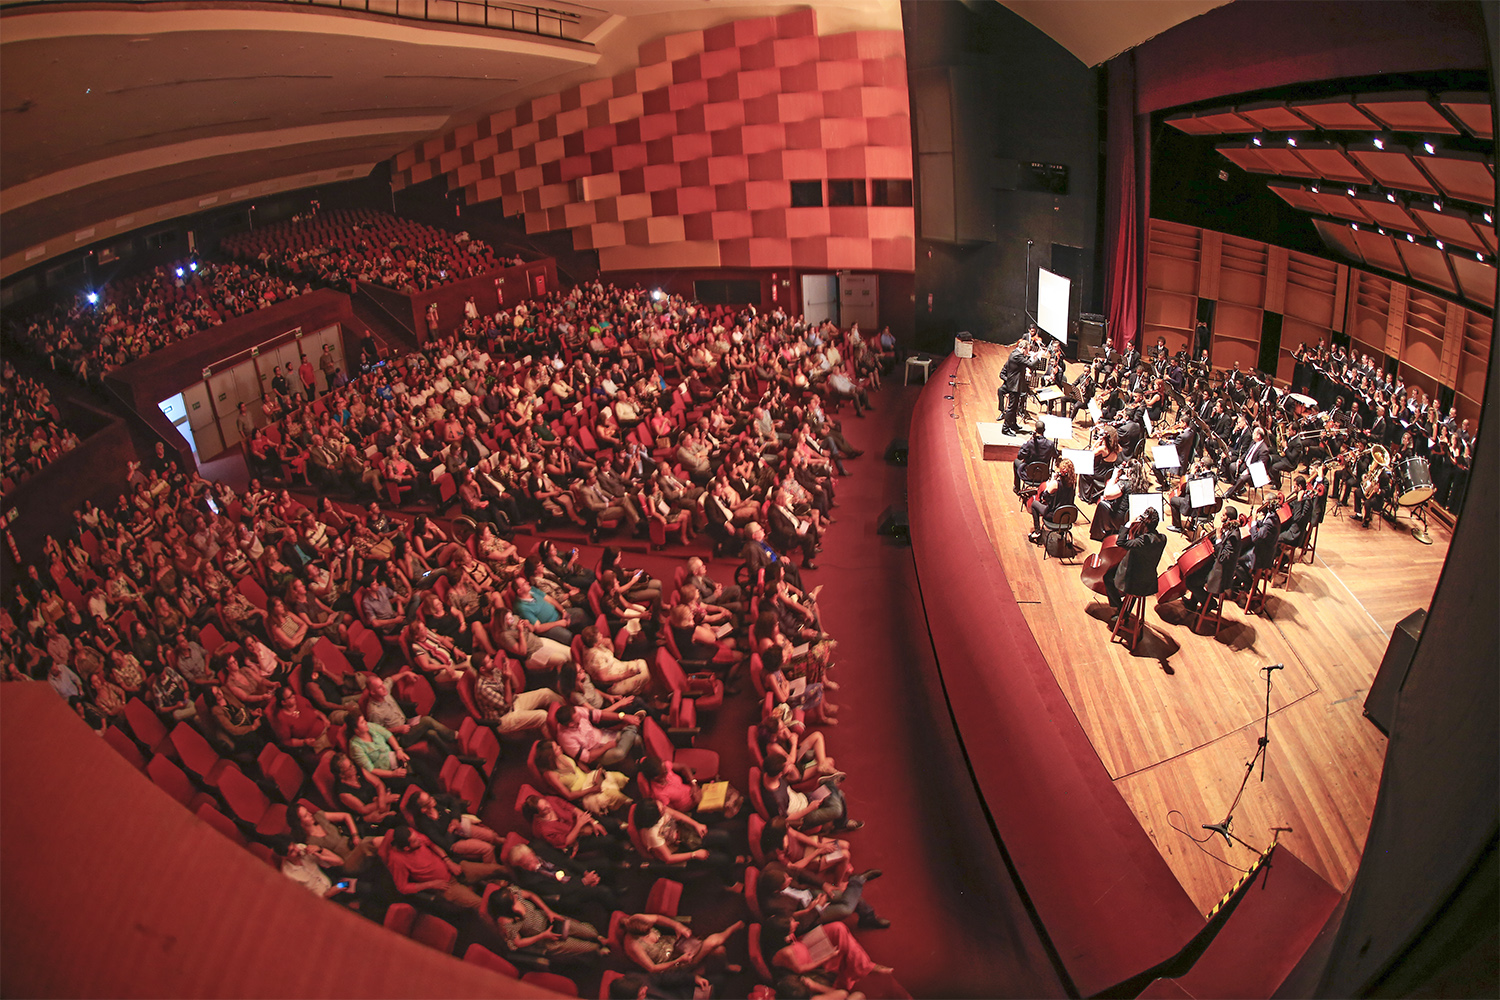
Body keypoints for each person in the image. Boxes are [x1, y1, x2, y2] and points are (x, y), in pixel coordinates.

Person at [383, 825, 504, 912]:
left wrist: (447, 861)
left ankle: (508, 891)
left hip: (453, 867)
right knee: (481, 905)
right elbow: (402, 887)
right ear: (406, 848)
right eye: (415, 841)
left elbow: (432, 845)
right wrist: (431, 884)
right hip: (446, 885)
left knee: (495, 869)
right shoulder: (396, 860)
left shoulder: (411, 834)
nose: (419, 839)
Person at [763, 913, 890, 991]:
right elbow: (801, 969)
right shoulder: (786, 953)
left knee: (838, 927)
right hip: (810, 959)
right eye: (792, 925)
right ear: (784, 934)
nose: (796, 923)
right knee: (846, 945)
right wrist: (828, 957)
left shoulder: (779, 931)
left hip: (803, 944)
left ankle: (863, 966)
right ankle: (864, 966)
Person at [621, 912, 745, 976]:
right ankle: (731, 930)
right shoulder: (633, 946)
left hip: (677, 945)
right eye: (647, 933)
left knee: (718, 950)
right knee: (714, 946)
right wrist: (679, 960)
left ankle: (720, 966)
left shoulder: (637, 919)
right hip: (671, 964)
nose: (650, 932)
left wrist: (677, 925)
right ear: (638, 935)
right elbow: (653, 969)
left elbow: (658, 918)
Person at [1104, 508, 1167, 623]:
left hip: (1133, 582)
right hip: (1149, 580)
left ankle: (1122, 609)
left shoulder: (1142, 541)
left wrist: (1128, 524)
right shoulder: (1163, 538)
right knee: (1133, 587)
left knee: (1107, 577)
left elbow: (1121, 542)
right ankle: (1125, 610)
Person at [1183, 506, 1243, 616]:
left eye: (1223, 515)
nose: (1221, 517)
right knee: (1194, 573)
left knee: (1191, 581)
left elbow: (1222, 558)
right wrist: (1208, 536)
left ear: (1229, 519)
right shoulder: (1229, 529)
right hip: (1216, 566)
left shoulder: (1234, 537)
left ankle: (1209, 603)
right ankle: (1192, 603)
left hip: (1221, 574)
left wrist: (1219, 537)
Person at [998, 330, 1043, 434]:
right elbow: (1030, 365)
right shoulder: (1017, 356)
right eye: (1027, 350)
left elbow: (1024, 359)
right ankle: (1005, 428)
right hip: (1014, 385)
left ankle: (1013, 424)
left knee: (1014, 407)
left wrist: (1031, 355)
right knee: (1011, 407)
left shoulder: (1016, 353)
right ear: (1023, 348)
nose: (1028, 352)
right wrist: (1039, 357)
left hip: (1016, 385)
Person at [1027, 457, 1076, 545]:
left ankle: (1037, 532)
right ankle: (1061, 532)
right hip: (1066, 517)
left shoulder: (1056, 484)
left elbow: (1044, 496)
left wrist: (1053, 479)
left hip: (1053, 516)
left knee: (1034, 504)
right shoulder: (1073, 484)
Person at [1013, 420, 1058, 492]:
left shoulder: (1030, 443)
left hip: (1029, 475)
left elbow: (1019, 456)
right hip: (1044, 475)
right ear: (1044, 430)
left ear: (1035, 430)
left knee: (1016, 462)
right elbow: (1056, 455)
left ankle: (1017, 488)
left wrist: (1028, 441)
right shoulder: (1050, 444)